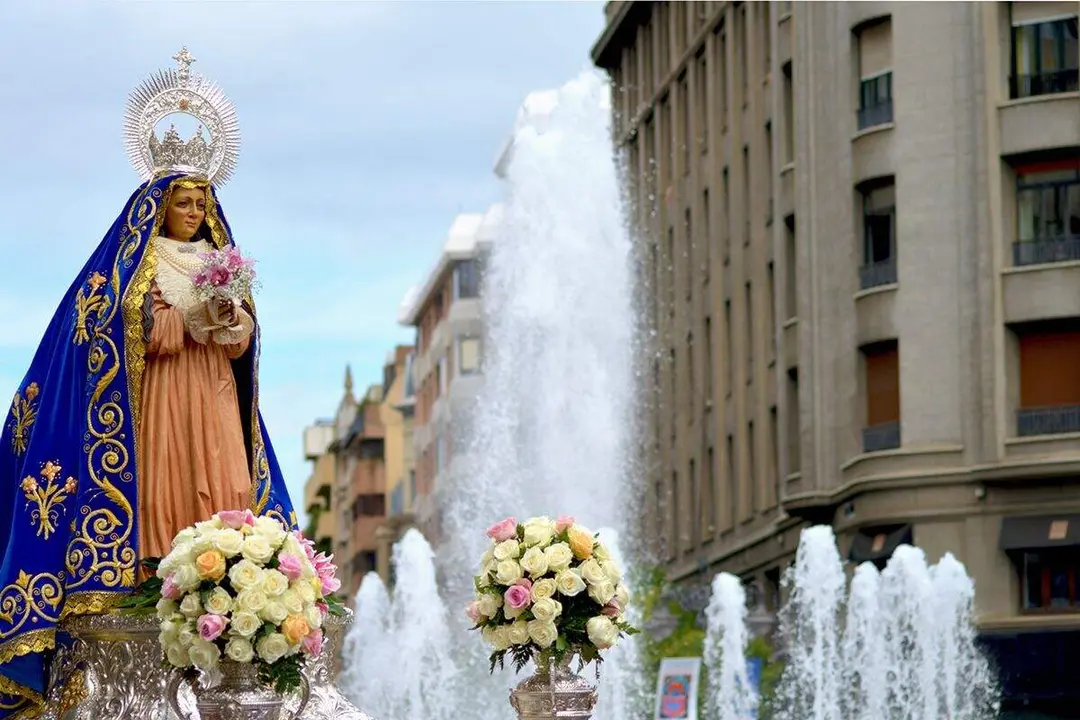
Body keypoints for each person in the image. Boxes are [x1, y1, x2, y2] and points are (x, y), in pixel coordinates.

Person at [0, 50, 297, 718]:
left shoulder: (223, 262)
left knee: (224, 480)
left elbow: (244, 343)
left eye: (200, 201)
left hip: (214, 396)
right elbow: (115, 329)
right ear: (157, 206)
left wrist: (230, 320)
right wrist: (174, 321)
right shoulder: (137, 262)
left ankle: (225, 563)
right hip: (160, 399)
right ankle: (161, 567)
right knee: (165, 481)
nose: (192, 210)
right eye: (181, 201)